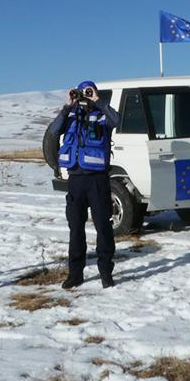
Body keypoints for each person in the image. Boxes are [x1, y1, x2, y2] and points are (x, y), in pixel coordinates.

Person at [46, 80, 121, 289]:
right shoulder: (70, 119)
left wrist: (98, 101)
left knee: (103, 227)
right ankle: (75, 274)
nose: (85, 96)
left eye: (88, 92)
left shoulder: (103, 117)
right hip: (76, 180)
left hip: (97, 180)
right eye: (83, 93)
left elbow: (117, 120)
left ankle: (106, 272)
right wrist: (67, 106)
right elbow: (53, 131)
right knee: (75, 228)